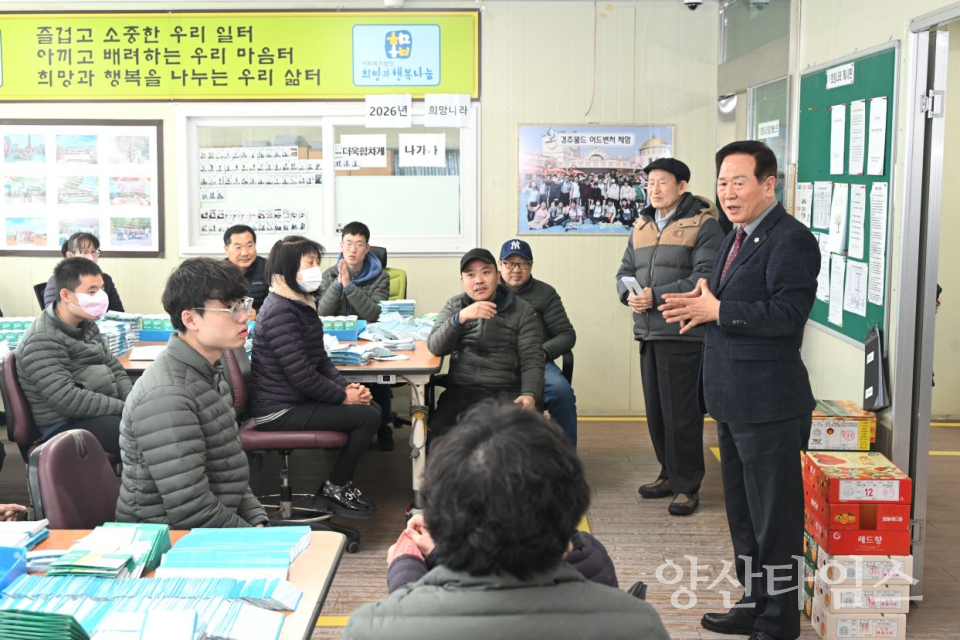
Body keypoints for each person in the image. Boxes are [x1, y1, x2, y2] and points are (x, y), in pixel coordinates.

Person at [659, 141, 820, 640]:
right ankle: (754, 603)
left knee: (776, 520)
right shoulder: (737, 235)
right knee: (745, 516)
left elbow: (789, 316)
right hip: (731, 397)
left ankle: (779, 623)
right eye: (722, 182)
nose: (728, 192)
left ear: (768, 184)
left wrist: (719, 312)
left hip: (770, 401)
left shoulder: (791, 239)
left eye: (739, 182)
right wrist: (703, 301)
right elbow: (725, 299)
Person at [342, 401, 670, 640]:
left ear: (440, 519)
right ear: (571, 514)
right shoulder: (639, 625)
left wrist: (407, 565)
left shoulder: (369, 629)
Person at [116, 258, 268, 528]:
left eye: (243, 305)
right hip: (169, 541)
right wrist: (258, 540)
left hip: (210, 527)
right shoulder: (168, 396)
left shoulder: (209, 373)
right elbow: (191, 511)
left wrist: (258, 521)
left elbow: (230, 474)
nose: (244, 316)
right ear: (190, 319)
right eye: (230, 309)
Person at [615, 158, 723, 517]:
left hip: (683, 331)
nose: (654, 189)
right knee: (657, 413)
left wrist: (655, 296)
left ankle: (688, 486)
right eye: (650, 183)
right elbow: (624, 270)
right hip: (649, 331)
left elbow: (704, 278)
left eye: (662, 182)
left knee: (682, 415)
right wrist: (627, 293)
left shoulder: (704, 225)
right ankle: (669, 474)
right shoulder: (642, 225)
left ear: (682, 185)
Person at [249, 236, 380, 519]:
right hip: (278, 411)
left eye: (317, 263)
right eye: (309, 262)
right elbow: (302, 375)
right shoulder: (280, 311)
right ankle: (335, 486)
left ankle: (338, 484)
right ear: (287, 268)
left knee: (371, 409)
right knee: (368, 417)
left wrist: (348, 388)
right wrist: (343, 397)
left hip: (293, 401)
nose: (316, 269)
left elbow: (320, 360)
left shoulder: (299, 303)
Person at [426, 248, 544, 447]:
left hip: (505, 391)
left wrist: (529, 395)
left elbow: (532, 359)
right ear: (462, 281)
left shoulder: (522, 310)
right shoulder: (456, 306)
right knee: (436, 436)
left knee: (509, 444)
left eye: (485, 272)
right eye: (470, 275)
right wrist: (461, 318)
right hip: (462, 390)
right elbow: (435, 347)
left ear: (498, 276)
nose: (478, 280)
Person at [17, 257, 131, 458]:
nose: (101, 296)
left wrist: (131, 400)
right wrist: (124, 407)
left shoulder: (85, 324)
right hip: (65, 424)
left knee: (156, 424)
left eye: (101, 289)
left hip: (99, 411)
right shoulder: (41, 339)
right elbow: (68, 400)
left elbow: (113, 366)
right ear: (66, 295)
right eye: (92, 291)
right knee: (144, 437)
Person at [316, 221, 393, 450]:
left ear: (367, 248)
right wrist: (339, 284)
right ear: (341, 245)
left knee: (378, 377)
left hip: (368, 340)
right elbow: (322, 312)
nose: (352, 249)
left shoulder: (381, 277)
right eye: (348, 243)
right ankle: (342, 425)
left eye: (359, 244)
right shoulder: (329, 275)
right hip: (335, 341)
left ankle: (383, 425)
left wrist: (350, 288)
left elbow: (373, 313)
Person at [499, 239, 578, 446]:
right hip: (497, 361)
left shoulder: (545, 293)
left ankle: (565, 460)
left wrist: (543, 352)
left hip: (537, 359)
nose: (516, 269)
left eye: (523, 263)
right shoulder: (488, 291)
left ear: (531, 265)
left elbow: (566, 334)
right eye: (510, 263)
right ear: (500, 265)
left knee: (562, 393)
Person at [42, 233, 124, 311]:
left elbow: (118, 312)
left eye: (93, 251)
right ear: (70, 256)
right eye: (84, 252)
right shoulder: (58, 280)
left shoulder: (105, 279)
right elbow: (53, 316)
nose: (91, 257)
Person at [223, 224, 268, 316]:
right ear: (226, 250)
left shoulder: (268, 268)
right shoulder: (218, 272)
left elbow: (277, 304)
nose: (244, 253)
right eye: (238, 247)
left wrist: (258, 314)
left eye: (249, 246)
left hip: (261, 324)